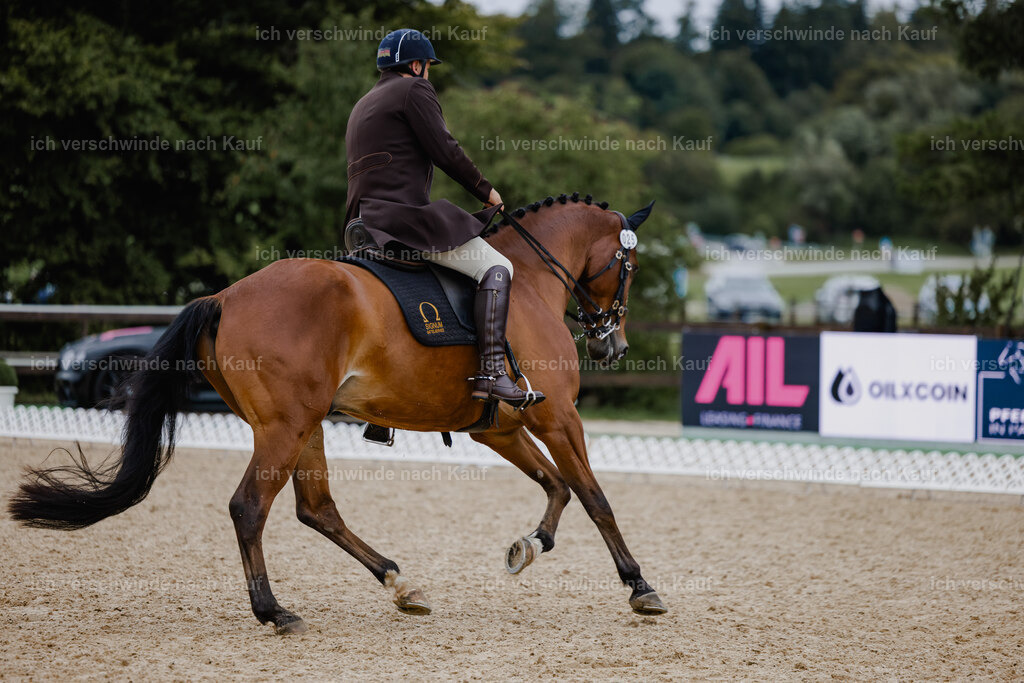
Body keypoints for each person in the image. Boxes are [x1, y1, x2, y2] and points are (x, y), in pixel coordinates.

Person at [344, 29, 543, 408]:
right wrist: (486, 190)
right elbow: (445, 150)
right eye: (428, 67)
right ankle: (493, 373)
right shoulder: (413, 90)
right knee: (496, 266)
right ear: (416, 65)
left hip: (359, 224)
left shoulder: (364, 102)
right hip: (398, 221)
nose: (429, 74)